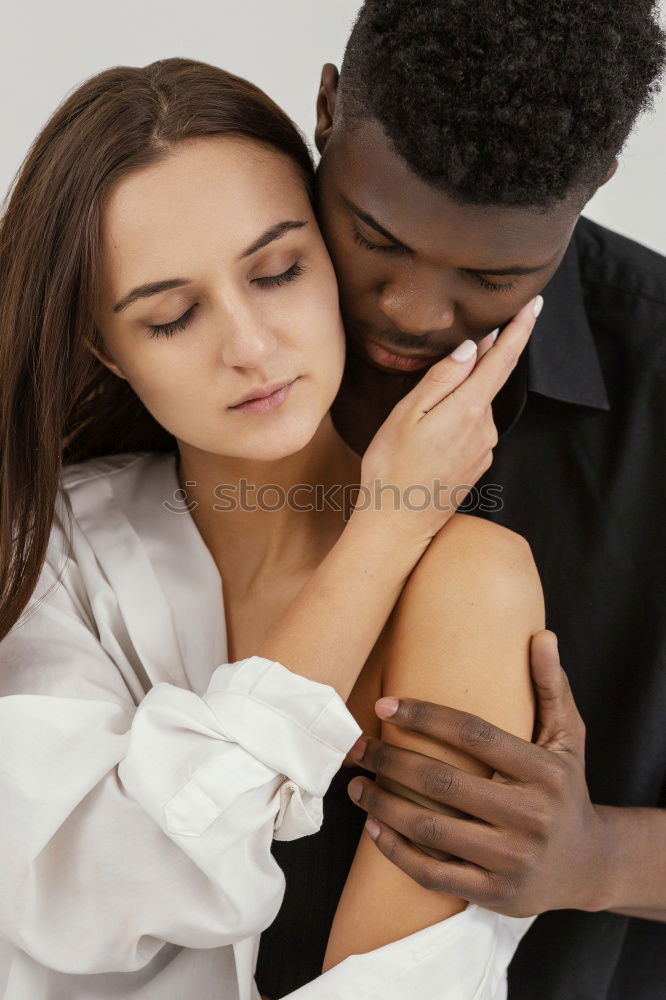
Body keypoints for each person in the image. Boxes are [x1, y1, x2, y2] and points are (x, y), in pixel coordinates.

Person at [0, 58, 546, 999]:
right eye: (171, 318)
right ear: (105, 350)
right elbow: (86, 898)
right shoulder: (46, 550)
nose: (250, 348)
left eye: (280, 270)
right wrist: (382, 530)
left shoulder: (471, 580)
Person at [256, 2, 666, 998]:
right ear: (326, 107)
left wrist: (601, 855)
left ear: (596, 185)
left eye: (493, 275)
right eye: (374, 237)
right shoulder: (160, 305)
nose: (413, 311)